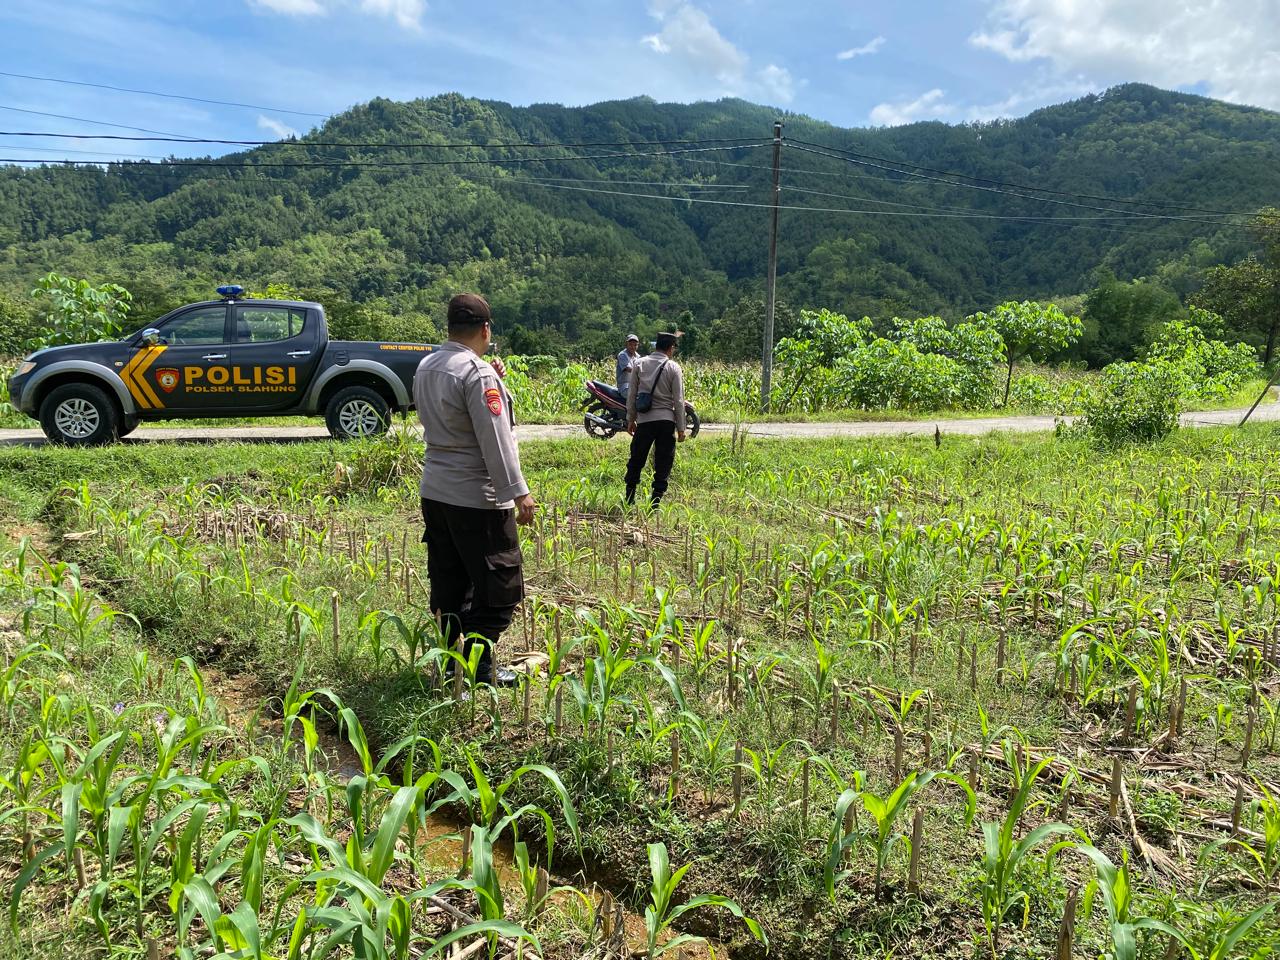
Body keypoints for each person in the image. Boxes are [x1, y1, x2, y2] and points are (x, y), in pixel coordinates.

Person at [413, 293, 537, 687]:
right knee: (501, 590)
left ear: (449, 328)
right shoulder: (477, 374)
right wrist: (519, 491)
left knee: (450, 583)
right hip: (476, 497)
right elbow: (495, 439)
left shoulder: (428, 365)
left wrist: (490, 373)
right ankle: (477, 667)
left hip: (436, 491)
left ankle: (450, 664)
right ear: (486, 330)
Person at [624, 331, 686, 507]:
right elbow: (679, 401)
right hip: (666, 421)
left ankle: (630, 497)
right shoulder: (673, 367)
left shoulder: (639, 363)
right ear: (670, 348)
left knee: (637, 458)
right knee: (663, 460)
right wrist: (681, 428)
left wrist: (631, 419)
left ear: (656, 345)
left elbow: (632, 395)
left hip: (644, 421)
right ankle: (655, 502)